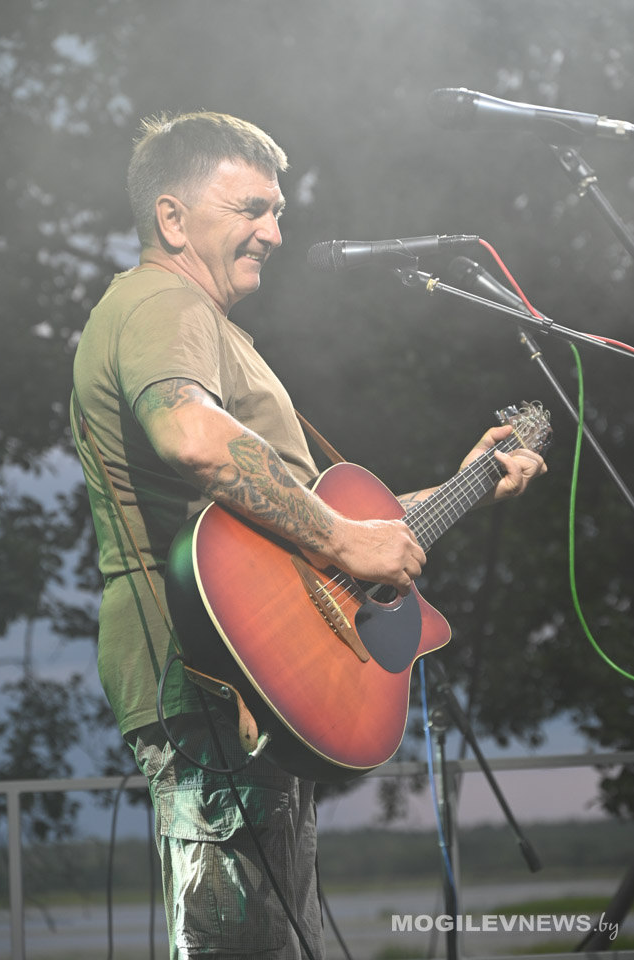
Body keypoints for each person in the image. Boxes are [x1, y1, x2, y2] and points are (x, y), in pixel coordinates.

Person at [71, 111, 545, 960]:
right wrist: (345, 542)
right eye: (250, 209)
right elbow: (191, 434)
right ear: (172, 218)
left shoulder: (208, 326)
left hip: (256, 666)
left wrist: (462, 484)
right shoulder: (162, 301)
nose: (274, 232)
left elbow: (298, 522)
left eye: (278, 211)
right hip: (210, 669)